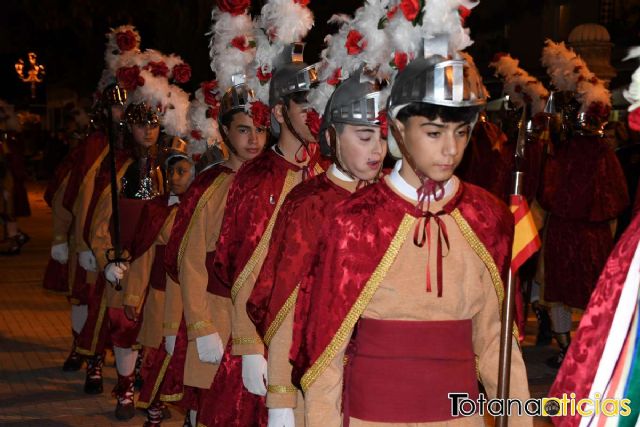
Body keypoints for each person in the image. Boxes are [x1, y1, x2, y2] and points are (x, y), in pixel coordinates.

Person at [290, 2, 532, 425]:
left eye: (461, 132)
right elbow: (326, 350)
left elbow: (496, 344)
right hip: (373, 416)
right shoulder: (354, 222)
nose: (450, 149)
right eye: (434, 132)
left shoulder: (487, 216)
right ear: (399, 128)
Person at [539, 41, 629, 368]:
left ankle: (567, 352)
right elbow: (618, 198)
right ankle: (590, 353)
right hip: (596, 235)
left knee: (560, 295)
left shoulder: (564, 153)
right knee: (595, 296)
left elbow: (548, 194)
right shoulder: (604, 154)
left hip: (565, 233)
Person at [122, 137, 196, 427]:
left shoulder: (205, 208)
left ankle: (191, 414)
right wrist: (131, 297)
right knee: (155, 357)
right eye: (172, 171)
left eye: (182, 171)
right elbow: (142, 257)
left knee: (188, 360)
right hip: (160, 297)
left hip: (190, 302)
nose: (175, 177)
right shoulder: (157, 209)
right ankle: (153, 410)